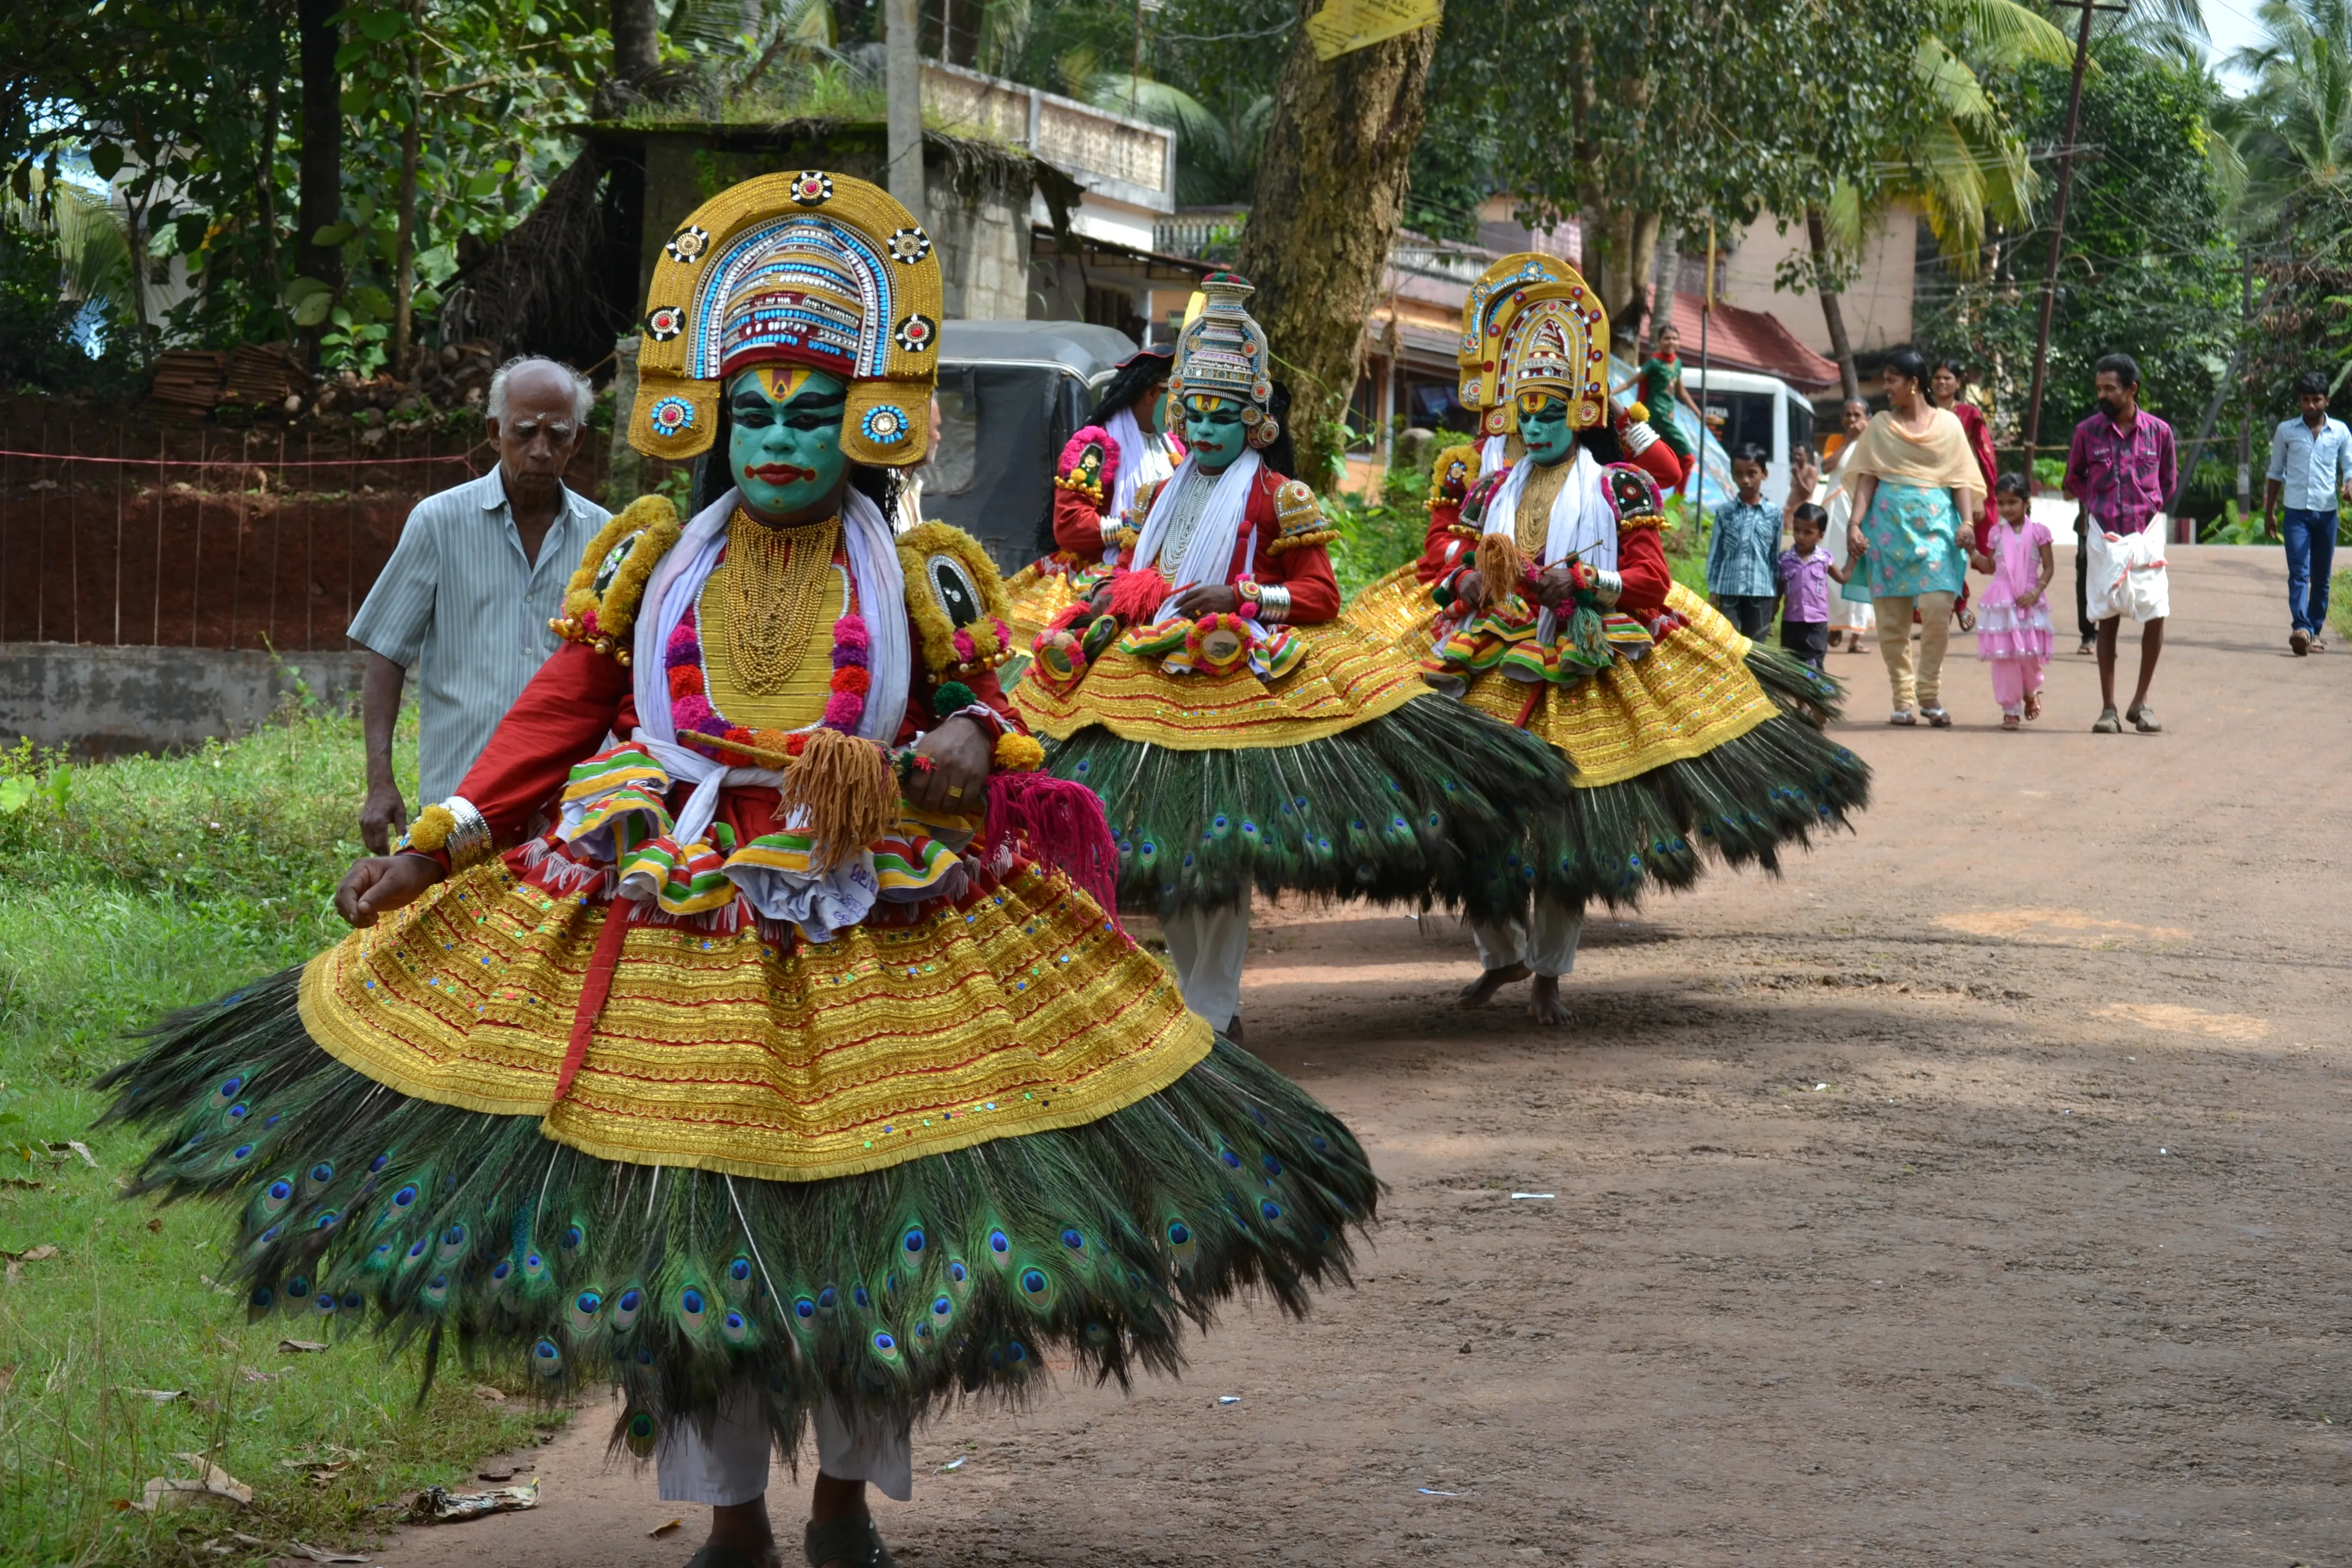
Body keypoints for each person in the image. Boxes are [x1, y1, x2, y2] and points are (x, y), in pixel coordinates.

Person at [97, 173, 1378, 1568]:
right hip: (674, 902)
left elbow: (994, 708)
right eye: (752, 411)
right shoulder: (651, 561)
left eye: (810, 413)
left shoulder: (930, 574)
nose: (776, 439)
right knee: (691, 1229)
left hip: (874, 913)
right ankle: (728, 1516)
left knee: (866, 1222)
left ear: (868, 425)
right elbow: (554, 717)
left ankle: (842, 1505)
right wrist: (436, 841)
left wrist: (955, 737)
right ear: (709, 418)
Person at [1014, 272, 1564, 1040]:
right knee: (1171, 851)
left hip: (1243, 684)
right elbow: (1145, 569)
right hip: (1148, 673)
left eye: (1219, 418)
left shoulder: (1282, 498)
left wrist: (1241, 598)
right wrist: (1119, 596)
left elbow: (1321, 598)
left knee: (1218, 853)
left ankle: (1216, 1010)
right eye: (1192, 416)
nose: (1203, 432)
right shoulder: (1156, 497)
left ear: (1254, 423)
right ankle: (1193, 1005)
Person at [1352, 252, 1868, 1025]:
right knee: (1464, 814)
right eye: (1524, 411)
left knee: (1567, 825)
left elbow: (1652, 576)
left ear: (1578, 411)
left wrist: (1585, 585)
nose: (1533, 424)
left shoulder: (1616, 482)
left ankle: (1552, 973)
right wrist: (1463, 579)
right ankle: (1504, 953)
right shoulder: (1487, 479)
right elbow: (1448, 553)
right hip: (1487, 654)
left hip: (1584, 655)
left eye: (1550, 411)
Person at [349, 356, 610, 852]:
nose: (540, 450)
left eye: (557, 436)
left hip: (574, 807)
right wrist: (380, 781)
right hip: (459, 801)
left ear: (576, 442)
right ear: (494, 432)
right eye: (524, 432)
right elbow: (386, 654)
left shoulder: (607, 538)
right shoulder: (438, 523)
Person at [1000, 347, 1185, 647]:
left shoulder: (1173, 449)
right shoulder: (1096, 447)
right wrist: (1130, 525)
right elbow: (1069, 525)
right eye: (1179, 398)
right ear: (1153, 394)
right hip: (1097, 568)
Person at [1839, 347, 1982, 728]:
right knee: (1892, 620)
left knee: (1938, 606)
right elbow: (1867, 478)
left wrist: (1967, 522)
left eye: (1892, 380)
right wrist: (1855, 525)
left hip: (1937, 528)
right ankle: (1903, 699)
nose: (1885, 388)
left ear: (1913, 383)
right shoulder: (1881, 426)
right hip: (1887, 530)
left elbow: (1961, 478)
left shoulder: (1949, 425)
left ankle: (1929, 691)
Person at [2063, 352, 2175, 734]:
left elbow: (2168, 481)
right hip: (2104, 535)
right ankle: (2108, 708)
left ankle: (2141, 703)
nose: (2103, 395)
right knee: (2106, 615)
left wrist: (2149, 507)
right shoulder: (2087, 432)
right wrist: (2095, 504)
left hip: (2146, 534)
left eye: (2110, 388)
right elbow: (2073, 478)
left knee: (2156, 611)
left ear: (2132, 390)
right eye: (2099, 388)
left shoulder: (2159, 432)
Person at [2262, 368, 2352, 655]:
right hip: (2296, 512)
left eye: (2316, 400)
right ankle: (2301, 628)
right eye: (2305, 400)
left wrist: (2350, 484)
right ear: (2299, 401)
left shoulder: (2340, 431)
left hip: (2327, 513)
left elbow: (2349, 466)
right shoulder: (2286, 431)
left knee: (2322, 576)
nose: (2311, 406)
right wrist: (2270, 512)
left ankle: (2315, 629)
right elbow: (2276, 473)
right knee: (2299, 572)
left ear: (2327, 400)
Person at [1968, 473, 2055, 730]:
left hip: (2029, 599)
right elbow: (1988, 566)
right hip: (2002, 602)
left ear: (2026, 502)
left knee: (2029, 655)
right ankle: (2010, 709)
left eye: (2012, 502)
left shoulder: (2040, 533)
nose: (2006, 508)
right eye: (2001, 503)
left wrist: (2036, 592)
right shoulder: (1996, 533)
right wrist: (1971, 551)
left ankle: (2031, 690)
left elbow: (2049, 568)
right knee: (2004, 656)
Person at [1930, 357, 1999, 634]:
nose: (1942, 382)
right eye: (1937, 377)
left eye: (1948, 378)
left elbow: (1982, 457)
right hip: (1931, 491)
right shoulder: (1924, 411)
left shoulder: (1969, 415)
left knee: (1956, 550)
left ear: (1958, 383)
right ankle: (1957, 604)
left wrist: (1980, 497)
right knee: (1940, 550)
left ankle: (1957, 602)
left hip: (1964, 490)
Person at [1817, 397, 1877, 653]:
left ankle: (1856, 635)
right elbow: (1827, 467)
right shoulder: (1835, 442)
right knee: (1833, 567)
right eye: (1848, 416)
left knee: (1860, 568)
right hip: (1835, 512)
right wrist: (1848, 441)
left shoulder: (1874, 443)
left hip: (1861, 512)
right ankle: (1835, 624)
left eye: (1858, 415)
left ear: (1868, 419)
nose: (1853, 421)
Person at [1707, 442, 1782, 638]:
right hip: (1728, 590)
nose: (1745, 480)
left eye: (1752, 473)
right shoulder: (1725, 513)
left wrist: (1776, 595)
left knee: (1756, 648)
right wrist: (1713, 590)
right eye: (1739, 474)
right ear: (1732, 475)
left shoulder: (1774, 514)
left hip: (1762, 591)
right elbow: (1716, 553)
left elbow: (1774, 557)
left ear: (1764, 474)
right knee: (1728, 644)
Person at [1612, 322, 1702, 480]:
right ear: (1659, 342)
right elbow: (1630, 382)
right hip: (1656, 416)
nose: (1671, 342)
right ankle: (1677, 501)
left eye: (1675, 339)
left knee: (1662, 459)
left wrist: (1698, 412)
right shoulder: (1654, 363)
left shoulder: (1677, 363)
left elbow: (1681, 392)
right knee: (1687, 456)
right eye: (1667, 339)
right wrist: (1609, 394)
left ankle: (1667, 495)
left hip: (1667, 417)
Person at [1776, 502, 1847, 673]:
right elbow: (1778, 592)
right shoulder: (1784, 560)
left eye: (1808, 533)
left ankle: (1814, 698)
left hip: (1817, 623)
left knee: (1815, 663)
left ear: (1820, 535)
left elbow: (1843, 578)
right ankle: (1800, 699)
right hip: (1791, 622)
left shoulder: (1824, 559)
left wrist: (1855, 557)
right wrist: (1770, 616)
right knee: (1792, 665)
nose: (1801, 537)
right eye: (1797, 530)